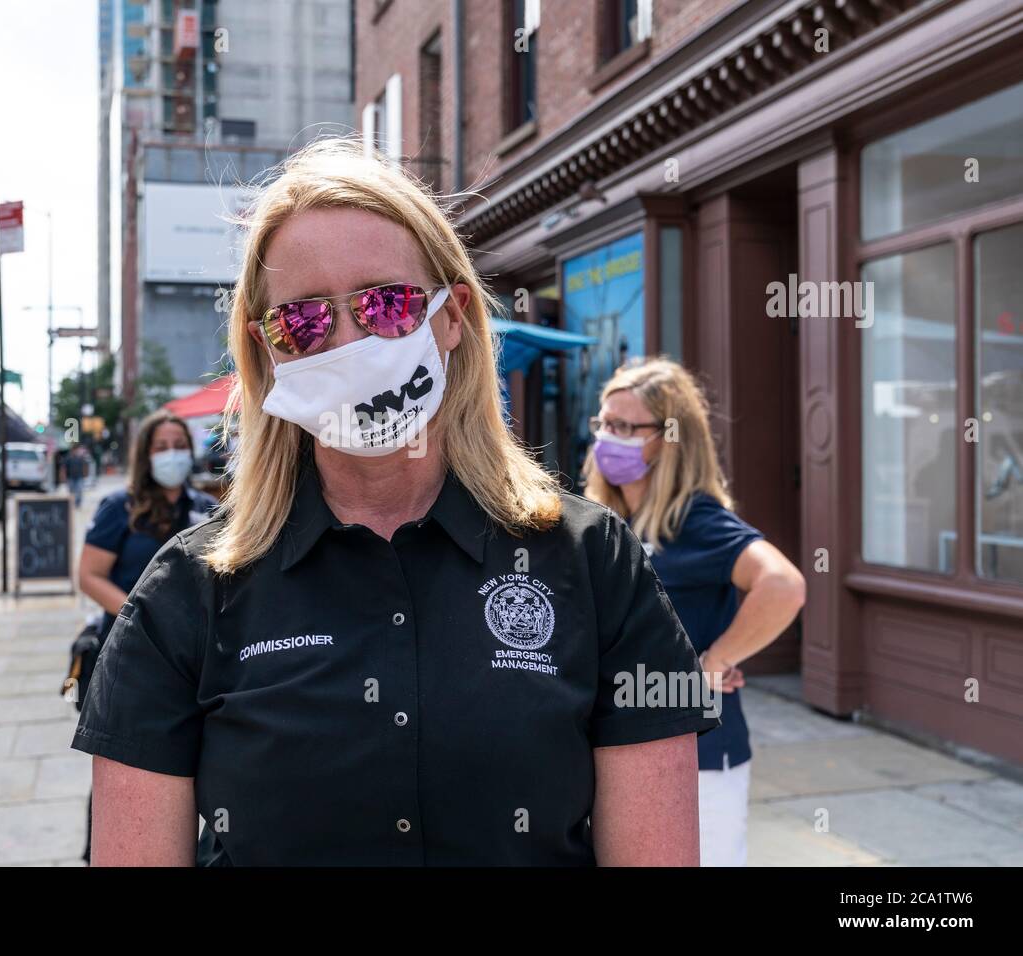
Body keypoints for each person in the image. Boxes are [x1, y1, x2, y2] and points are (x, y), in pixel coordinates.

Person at [72, 137, 718, 867]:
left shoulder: (594, 562)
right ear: (267, 349)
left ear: (451, 318)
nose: (348, 339)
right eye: (304, 321)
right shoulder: (183, 597)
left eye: (386, 304)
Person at [582, 358, 807, 867]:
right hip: (622, 748)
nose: (606, 440)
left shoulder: (696, 519)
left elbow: (784, 585)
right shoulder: (612, 520)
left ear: (668, 438)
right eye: (602, 423)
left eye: (623, 427)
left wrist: (712, 665)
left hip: (700, 759)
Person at [75, 409, 218, 863]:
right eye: (162, 447)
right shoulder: (119, 508)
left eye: (179, 445)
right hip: (127, 654)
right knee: (128, 766)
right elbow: (89, 575)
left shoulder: (202, 507)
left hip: (195, 659)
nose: (172, 453)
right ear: (145, 454)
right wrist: (145, 619)